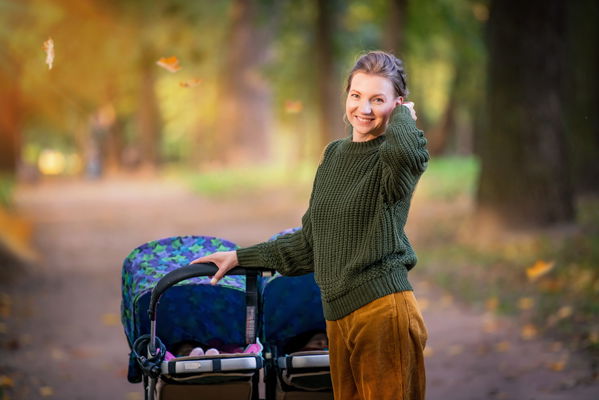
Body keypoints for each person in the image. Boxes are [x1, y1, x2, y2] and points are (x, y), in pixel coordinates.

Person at [191, 50, 429, 400]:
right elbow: (310, 245)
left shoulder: (393, 156)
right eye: (356, 95)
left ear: (397, 103)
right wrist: (240, 258)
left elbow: (407, 154)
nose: (363, 109)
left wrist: (404, 119)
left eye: (378, 99)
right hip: (337, 318)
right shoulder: (333, 156)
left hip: (382, 313)